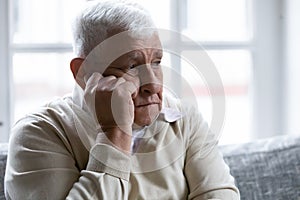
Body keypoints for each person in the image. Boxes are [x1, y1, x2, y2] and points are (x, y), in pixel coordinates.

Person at [5, 0, 240, 199]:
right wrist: (114, 132)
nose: (154, 85)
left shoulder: (185, 118)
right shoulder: (38, 132)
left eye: (156, 62)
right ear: (83, 72)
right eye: (132, 65)